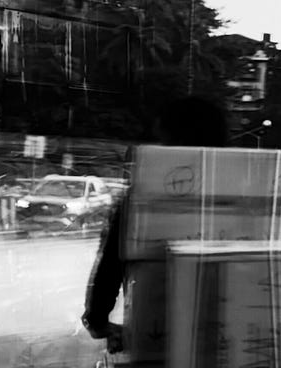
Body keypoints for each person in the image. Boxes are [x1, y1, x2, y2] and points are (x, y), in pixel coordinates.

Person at [82, 96, 230, 355]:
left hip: (156, 339)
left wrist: (97, 321)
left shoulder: (144, 195)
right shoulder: (248, 191)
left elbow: (110, 264)